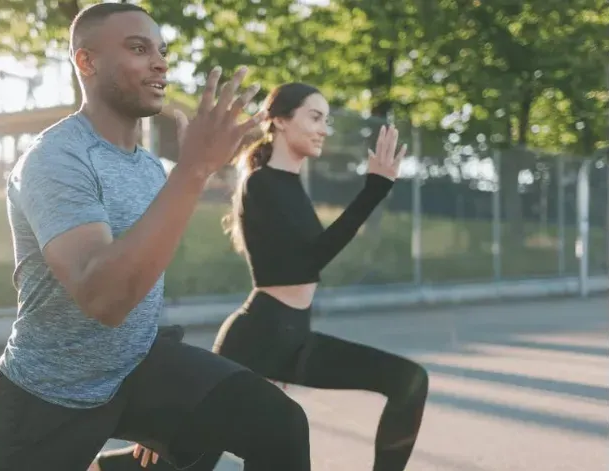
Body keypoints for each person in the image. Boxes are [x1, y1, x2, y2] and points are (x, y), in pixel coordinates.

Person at [0, 3, 314, 470]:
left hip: (136, 368)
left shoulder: (148, 169)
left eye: (162, 50)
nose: (160, 62)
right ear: (86, 61)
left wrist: (171, 406)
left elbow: (144, 277)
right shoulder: (54, 160)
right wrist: (194, 170)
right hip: (51, 392)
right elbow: (105, 298)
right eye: (139, 49)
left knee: (279, 423)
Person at [92, 83, 430, 471]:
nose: (324, 129)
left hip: (294, 338)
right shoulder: (262, 184)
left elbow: (308, 260)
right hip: (258, 338)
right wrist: (374, 190)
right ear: (281, 121)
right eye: (315, 117)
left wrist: (375, 190)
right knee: (190, 462)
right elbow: (310, 261)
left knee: (409, 382)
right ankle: (98, 466)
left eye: (327, 120)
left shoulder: (290, 186)